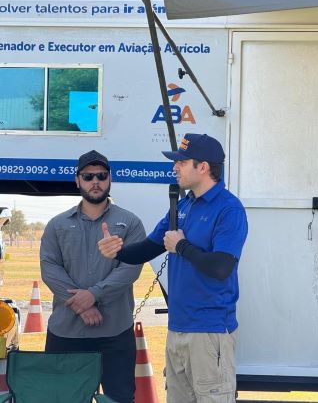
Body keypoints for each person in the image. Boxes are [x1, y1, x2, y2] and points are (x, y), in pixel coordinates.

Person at [98, 133, 248, 403]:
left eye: (182, 161)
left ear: (203, 167)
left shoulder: (229, 209)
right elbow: (148, 248)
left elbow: (221, 267)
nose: (175, 167)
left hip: (210, 331)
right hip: (177, 328)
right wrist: (117, 251)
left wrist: (182, 247)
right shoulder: (183, 205)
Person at [40, 150, 145, 403]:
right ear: (77, 181)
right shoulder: (57, 224)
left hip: (115, 332)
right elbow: (49, 268)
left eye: (101, 175)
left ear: (110, 179)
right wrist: (81, 304)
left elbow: (131, 269)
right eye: (88, 176)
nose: (95, 181)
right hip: (66, 332)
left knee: (119, 398)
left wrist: (94, 294)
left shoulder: (129, 223)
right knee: (61, 398)